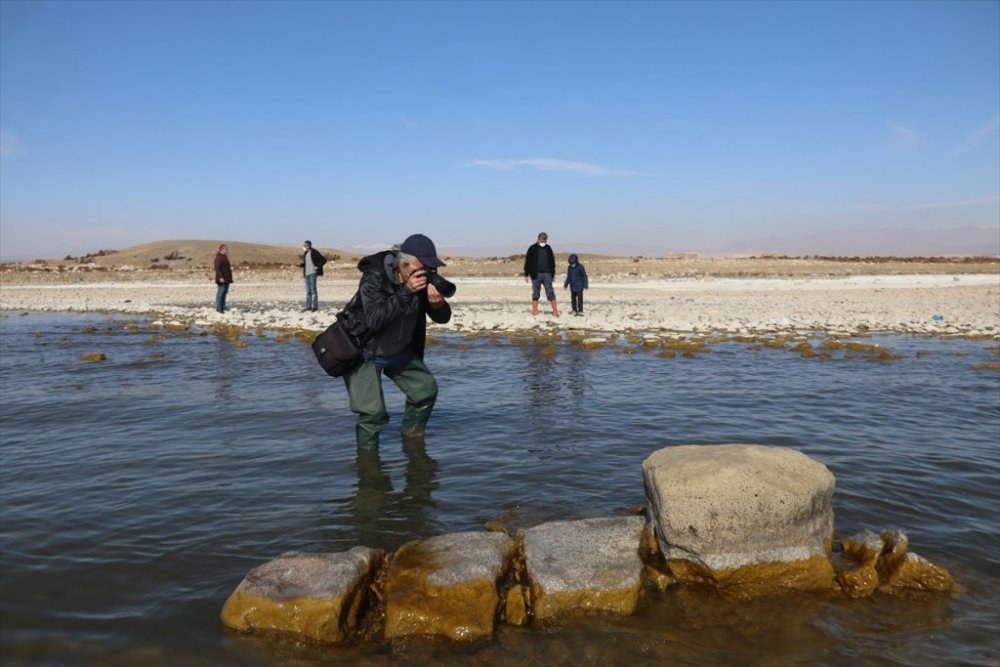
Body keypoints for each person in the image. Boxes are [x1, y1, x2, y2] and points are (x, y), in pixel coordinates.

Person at [340, 233, 452, 450]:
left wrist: (438, 305)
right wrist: (407, 291)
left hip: (399, 349)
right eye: (424, 267)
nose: (428, 272)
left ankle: (412, 439)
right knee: (372, 414)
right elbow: (374, 319)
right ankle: (369, 470)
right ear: (405, 264)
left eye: (431, 268)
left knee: (425, 391)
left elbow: (443, 317)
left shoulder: (421, 278)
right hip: (366, 351)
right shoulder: (375, 276)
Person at [523, 232, 559, 317]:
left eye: (545, 240)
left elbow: (552, 261)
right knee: (536, 293)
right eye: (542, 239)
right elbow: (528, 261)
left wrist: (553, 274)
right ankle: (535, 311)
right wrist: (526, 274)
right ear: (538, 239)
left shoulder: (548, 248)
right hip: (536, 275)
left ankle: (555, 311)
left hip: (547, 274)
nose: (543, 241)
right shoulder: (532, 248)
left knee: (550, 292)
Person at [298, 240, 327, 312]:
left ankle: (314, 307)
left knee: (313, 290)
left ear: (309, 246)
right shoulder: (305, 253)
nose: (304, 247)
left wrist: (318, 266)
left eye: (305, 245)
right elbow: (306, 264)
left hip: (313, 273)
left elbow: (324, 260)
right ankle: (308, 306)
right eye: (304, 245)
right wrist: (300, 265)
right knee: (308, 291)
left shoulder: (314, 252)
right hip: (306, 274)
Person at [213, 243, 233, 313]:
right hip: (221, 278)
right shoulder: (218, 257)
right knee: (221, 292)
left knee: (224, 292)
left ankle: (223, 306)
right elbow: (217, 268)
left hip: (226, 278)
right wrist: (220, 277)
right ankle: (219, 307)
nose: (227, 251)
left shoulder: (225, 257)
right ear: (222, 249)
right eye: (226, 249)